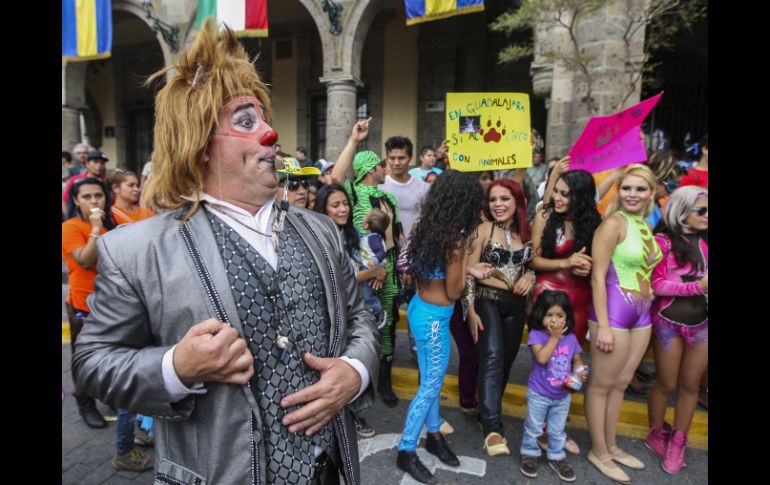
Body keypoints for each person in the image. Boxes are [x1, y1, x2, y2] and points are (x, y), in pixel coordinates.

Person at [72, 20, 379, 485]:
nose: (270, 134)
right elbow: (92, 363)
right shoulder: (135, 250)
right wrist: (176, 366)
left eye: (265, 118)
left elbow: (358, 318)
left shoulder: (320, 230)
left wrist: (356, 371)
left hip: (331, 471)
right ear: (199, 147)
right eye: (245, 120)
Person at [395, 170, 491, 484]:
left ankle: (434, 437)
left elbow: (420, 269)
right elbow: (453, 290)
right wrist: (470, 270)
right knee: (430, 386)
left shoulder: (426, 226)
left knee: (431, 382)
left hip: (421, 308)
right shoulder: (456, 239)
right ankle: (406, 449)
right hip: (436, 318)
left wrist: (466, 266)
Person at [584, 164, 662, 484]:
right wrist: (602, 324)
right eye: (626, 188)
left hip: (642, 315)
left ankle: (612, 445)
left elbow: (647, 265)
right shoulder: (612, 224)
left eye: (640, 189)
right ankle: (598, 451)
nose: (632, 194)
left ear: (651, 193)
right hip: (613, 313)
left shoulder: (644, 224)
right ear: (619, 190)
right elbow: (598, 277)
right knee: (602, 385)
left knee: (621, 382)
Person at [330, 120, 403, 408]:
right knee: (362, 325)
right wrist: (353, 140)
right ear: (372, 168)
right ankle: (361, 381)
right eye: (382, 165)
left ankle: (384, 381)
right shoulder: (351, 193)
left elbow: (396, 234)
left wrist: (393, 269)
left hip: (387, 271)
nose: (387, 169)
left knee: (387, 326)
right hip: (361, 276)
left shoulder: (389, 197)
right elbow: (335, 178)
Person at [465, 179, 536, 457]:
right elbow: (469, 270)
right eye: (493, 199)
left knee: (505, 360)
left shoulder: (526, 232)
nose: (498, 205)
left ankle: (487, 409)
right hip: (486, 300)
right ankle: (492, 429)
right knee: (493, 355)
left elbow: (531, 265)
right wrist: (470, 310)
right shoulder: (483, 229)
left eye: (504, 199)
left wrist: (531, 275)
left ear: (517, 201)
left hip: (516, 305)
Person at [646, 186, 708, 475]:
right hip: (667, 323)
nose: (707, 215)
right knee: (667, 383)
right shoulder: (663, 242)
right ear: (681, 211)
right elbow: (657, 286)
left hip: (702, 325)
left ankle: (679, 441)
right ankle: (656, 433)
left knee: (690, 385)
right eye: (702, 210)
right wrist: (697, 287)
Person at [63, 177, 117, 431]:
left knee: (112, 353)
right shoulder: (70, 228)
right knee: (84, 359)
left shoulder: (111, 224)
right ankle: (85, 402)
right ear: (76, 201)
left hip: (112, 302)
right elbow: (85, 260)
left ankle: (109, 394)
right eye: (86, 197)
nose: (94, 201)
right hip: (84, 305)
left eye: (98, 195)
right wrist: (95, 229)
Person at [519, 290, 588, 482]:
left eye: (560, 315)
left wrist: (579, 369)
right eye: (549, 315)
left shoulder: (571, 339)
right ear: (540, 315)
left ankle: (557, 457)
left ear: (567, 317)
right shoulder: (537, 335)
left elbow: (576, 358)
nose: (554, 321)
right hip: (539, 393)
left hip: (562, 396)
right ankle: (529, 453)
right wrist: (555, 338)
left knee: (557, 430)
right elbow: (542, 358)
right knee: (534, 427)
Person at [359, 208, 390, 327]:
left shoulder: (373, 237)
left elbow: (382, 251)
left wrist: (375, 259)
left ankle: (377, 311)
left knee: (367, 294)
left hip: (370, 269)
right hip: (368, 269)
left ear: (366, 225)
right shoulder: (371, 237)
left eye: (365, 216)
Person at [63, 149, 108, 218]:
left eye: (102, 163)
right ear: (87, 163)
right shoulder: (75, 180)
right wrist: (69, 219)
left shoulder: (106, 181)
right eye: (95, 162)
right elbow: (64, 202)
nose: (99, 165)